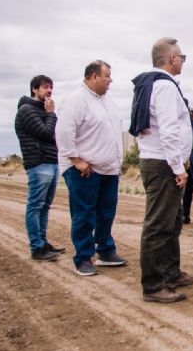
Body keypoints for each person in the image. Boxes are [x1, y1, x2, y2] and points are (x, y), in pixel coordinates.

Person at [131, 37, 193, 303]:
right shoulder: (165, 87)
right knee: (159, 224)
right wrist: (178, 166)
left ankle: (171, 272)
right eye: (182, 57)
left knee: (172, 220)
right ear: (171, 59)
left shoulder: (149, 85)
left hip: (158, 160)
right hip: (163, 164)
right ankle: (154, 285)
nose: (182, 61)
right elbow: (168, 130)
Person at [56, 60, 126, 277]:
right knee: (84, 213)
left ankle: (105, 251)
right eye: (107, 76)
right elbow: (63, 132)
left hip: (108, 169)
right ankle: (83, 257)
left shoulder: (109, 101)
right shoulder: (75, 100)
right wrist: (76, 160)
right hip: (84, 169)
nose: (110, 80)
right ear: (94, 76)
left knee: (106, 212)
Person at [15, 75, 65, 261]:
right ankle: (36, 247)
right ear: (34, 89)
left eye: (51, 87)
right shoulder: (27, 110)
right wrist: (51, 114)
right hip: (38, 163)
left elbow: (57, 135)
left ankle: (43, 244)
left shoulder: (43, 110)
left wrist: (50, 115)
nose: (49, 90)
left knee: (45, 206)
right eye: (45, 87)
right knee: (35, 206)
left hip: (51, 162)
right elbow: (46, 133)